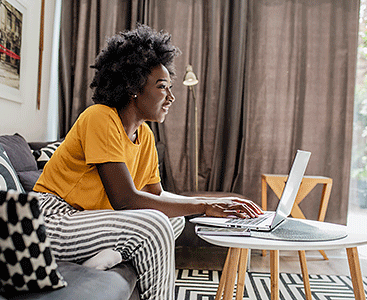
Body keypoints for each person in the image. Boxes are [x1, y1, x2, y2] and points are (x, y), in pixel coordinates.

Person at [33, 24, 262, 300]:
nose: (171, 97)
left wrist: (208, 204)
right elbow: (125, 199)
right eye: (162, 87)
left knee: (173, 221)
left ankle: (105, 255)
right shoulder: (100, 117)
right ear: (133, 87)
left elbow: (155, 195)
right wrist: (203, 205)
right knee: (155, 225)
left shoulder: (145, 135)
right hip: (51, 219)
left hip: (85, 219)